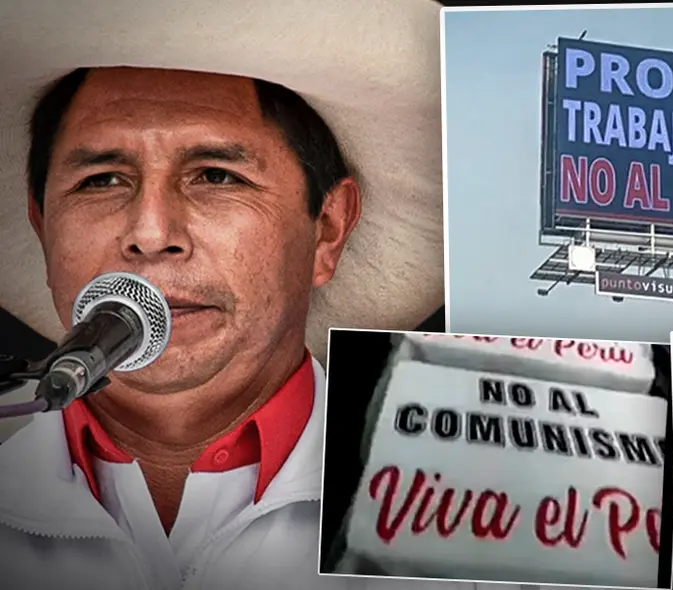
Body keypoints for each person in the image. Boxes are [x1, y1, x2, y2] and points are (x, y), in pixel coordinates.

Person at [0, 1, 454, 589]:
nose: (151, 234)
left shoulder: (477, 506)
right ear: (43, 226)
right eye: (101, 180)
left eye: (216, 176)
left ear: (328, 229)